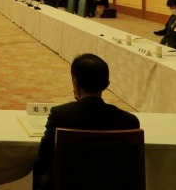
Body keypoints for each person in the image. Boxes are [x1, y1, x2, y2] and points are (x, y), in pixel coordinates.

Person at [32, 53, 140, 190]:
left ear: (75, 83)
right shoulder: (130, 122)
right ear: (106, 84)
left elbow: (45, 155)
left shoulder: (60, 115)